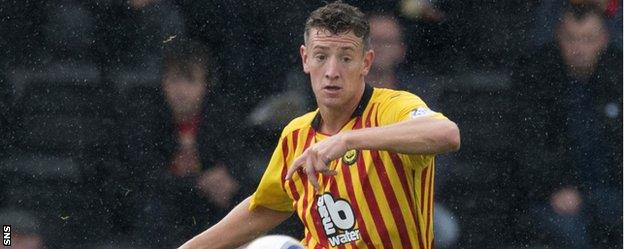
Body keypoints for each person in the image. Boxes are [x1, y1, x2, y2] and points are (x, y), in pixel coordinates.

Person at [179, 2, 460, 248]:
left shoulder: (393, 107)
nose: (332, 72)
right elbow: (263, 210)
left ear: (366, 62)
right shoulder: (296, 134)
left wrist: (349, 139)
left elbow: (447, 134)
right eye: (321, 56)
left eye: (346, 58)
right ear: (305, 59)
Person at [512, 3, 622, 248]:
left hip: (612, 192)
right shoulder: (537, 78)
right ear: (558, 37)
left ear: (604, 39)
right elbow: (530, 146)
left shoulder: (618, 75)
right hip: (558, 195)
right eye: (571, 38)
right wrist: (554, 187)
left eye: (588, 39)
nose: (579, 48)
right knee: (569, 230)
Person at [119, 39, 241, 248]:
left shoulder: (222, 119)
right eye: (175, 80)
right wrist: (196, 183)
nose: (181, 90)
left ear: (206, 85)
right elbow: (139, 176)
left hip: (208, 212)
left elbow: (237, 168)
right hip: (161, 216)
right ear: (163, 82)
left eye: (190, 81)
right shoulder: (146, 117)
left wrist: (228, 181)